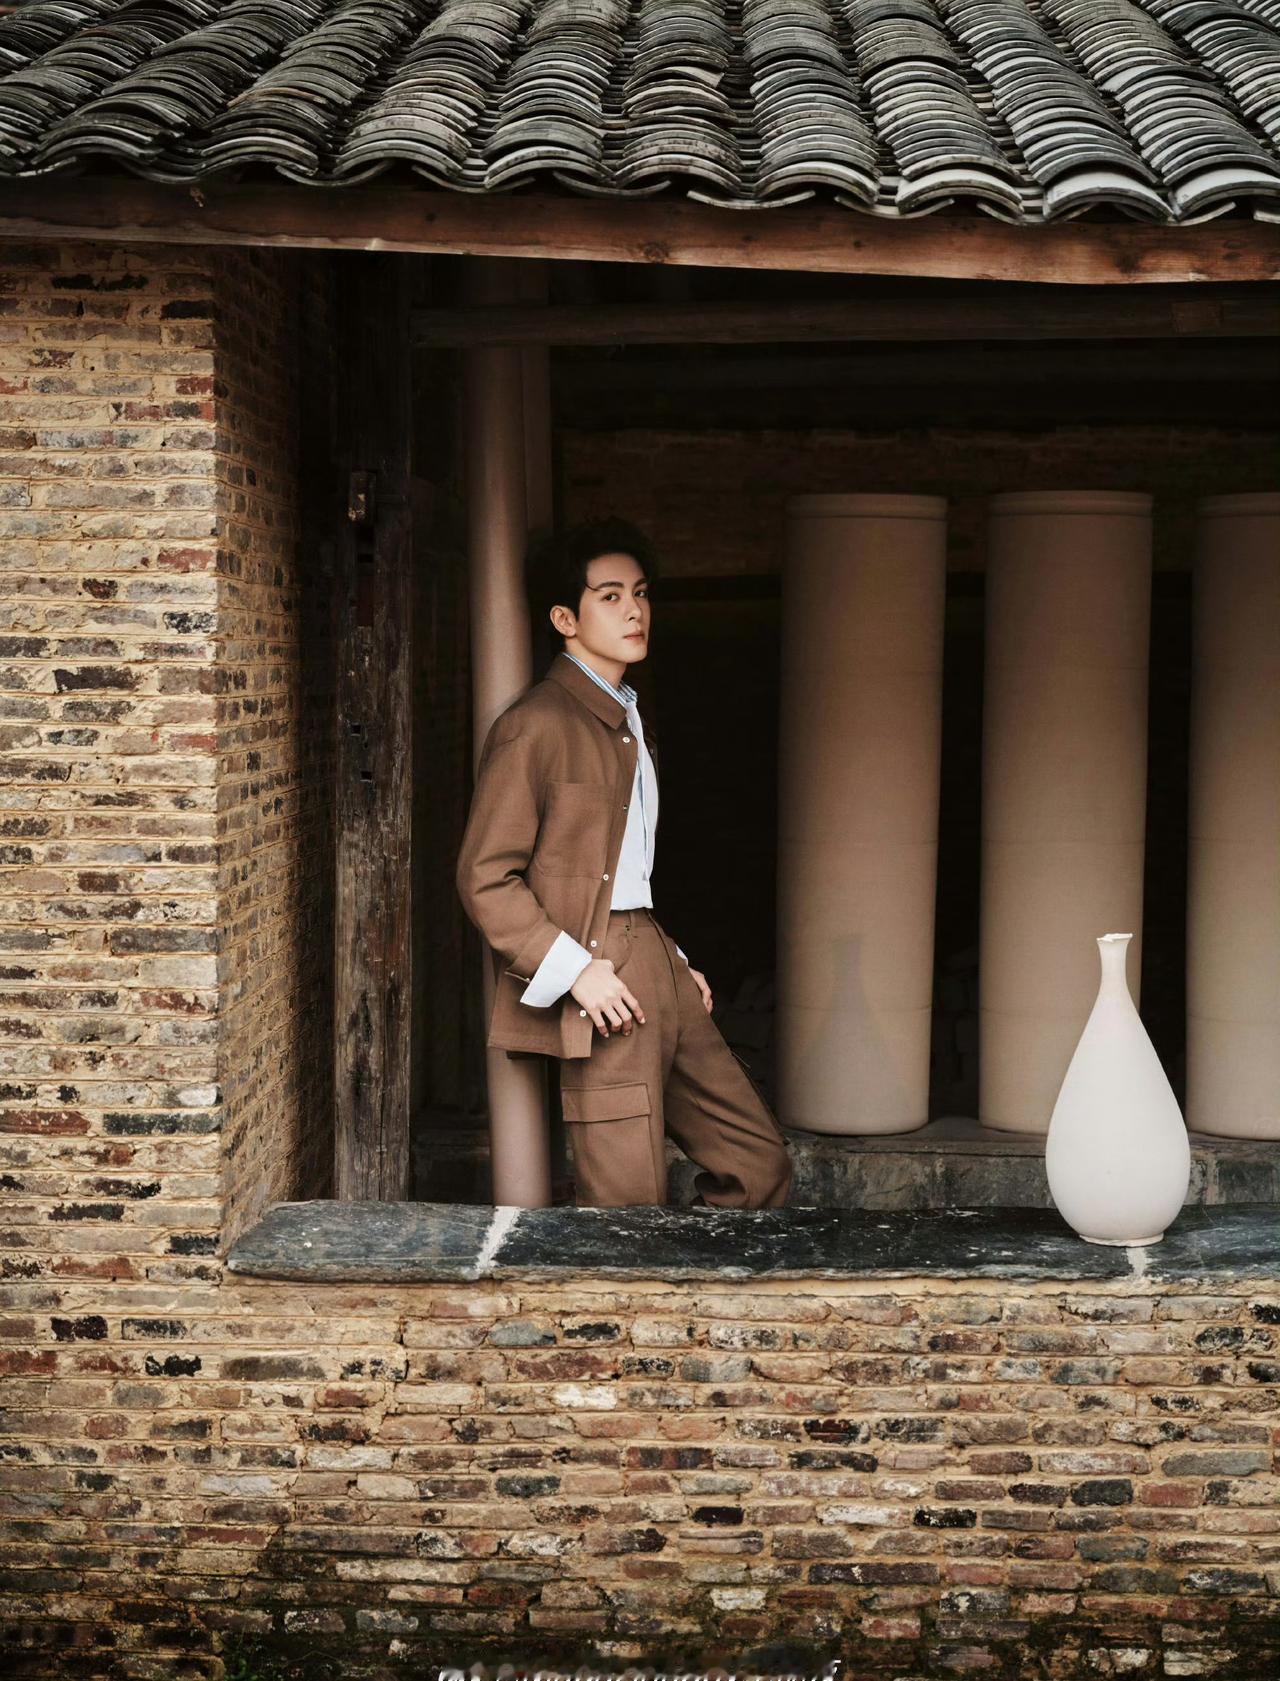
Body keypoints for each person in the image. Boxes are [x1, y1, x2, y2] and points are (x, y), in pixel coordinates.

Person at [456, 516, 793, 1210]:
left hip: (652, 952)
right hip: (596, 972)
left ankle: (691, 1280)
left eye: (639, 593)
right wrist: (577, 970)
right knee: (626, 1208)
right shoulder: (535, 726)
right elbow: (485, 877)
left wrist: (672, 962)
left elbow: (621, 869)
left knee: (758, 1165)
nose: (634, 610)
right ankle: (636, 1284)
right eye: (609, 596)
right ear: (564, 618)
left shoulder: (630, 719)